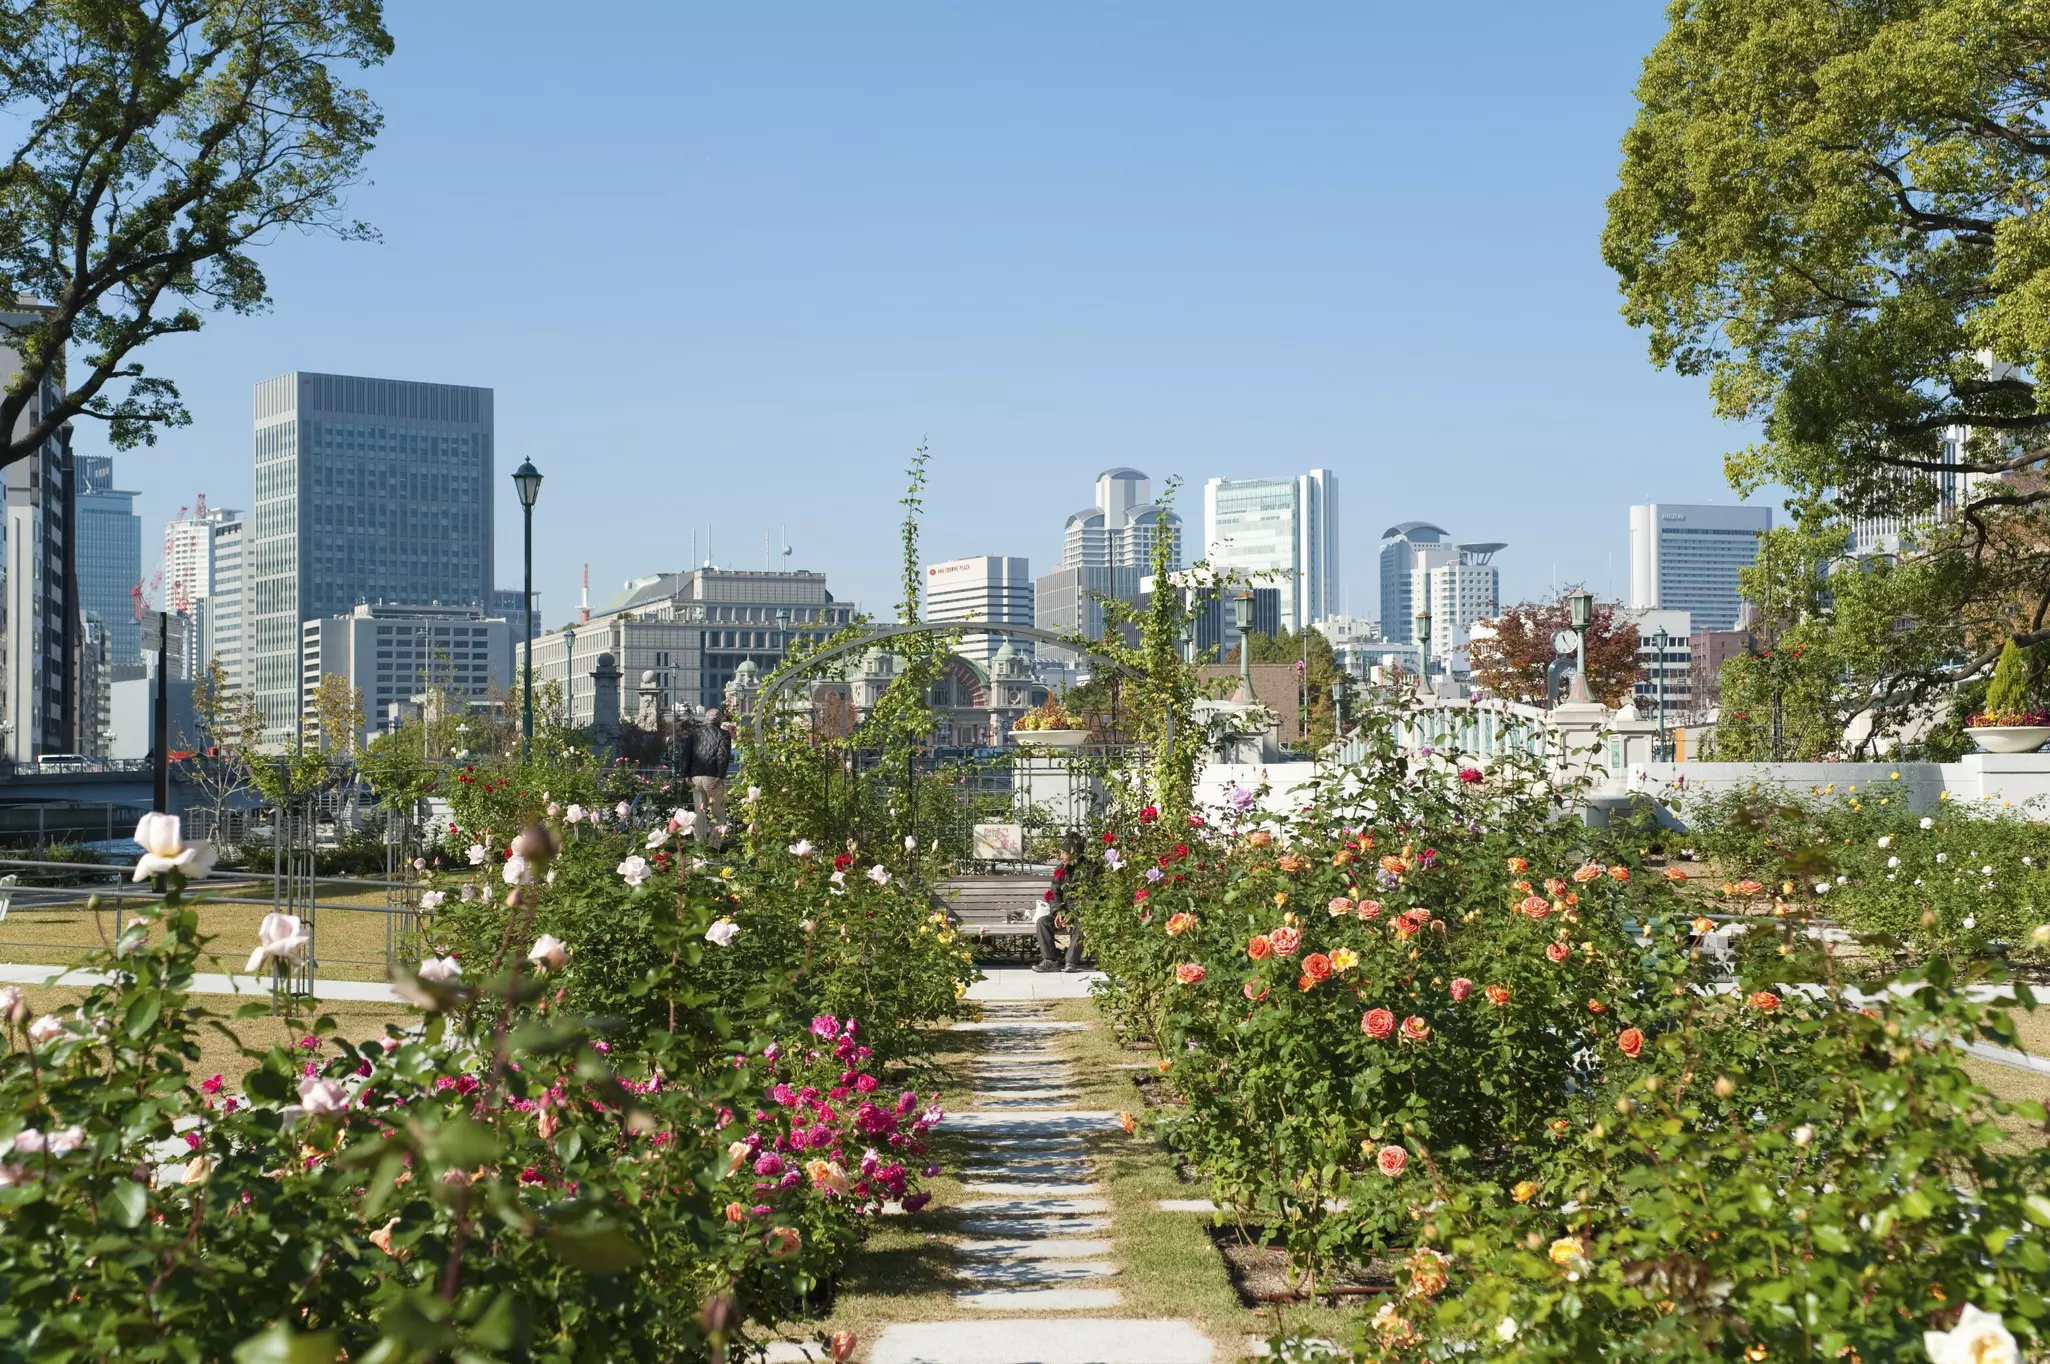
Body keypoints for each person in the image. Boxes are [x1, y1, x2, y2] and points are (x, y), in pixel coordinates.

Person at [1034, 831, 1088, 973]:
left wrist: (1072, 916)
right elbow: (1054, 893)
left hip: (1082, 913)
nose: (1061, 857)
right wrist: (1059, 911)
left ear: (1074, 852)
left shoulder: (1090, 869)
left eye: (1064, 853)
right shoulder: (1061, 869)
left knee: (1081, 925)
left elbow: (1090, 898)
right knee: (1043, 922)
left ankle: (1071, 962)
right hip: (1064, 912)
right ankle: (1050, 960)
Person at [687, 706, 733, 845]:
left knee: (700, 813)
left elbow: (686, 755)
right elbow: (722, 757)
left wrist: (685, 775)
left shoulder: (695, 733)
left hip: (695, 778)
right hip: (713, 778)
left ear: (706, 719)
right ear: (720, 720)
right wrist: (720, 776)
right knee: (718, 814)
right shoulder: (723, 735)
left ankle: (699, 847)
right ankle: (714, 846)